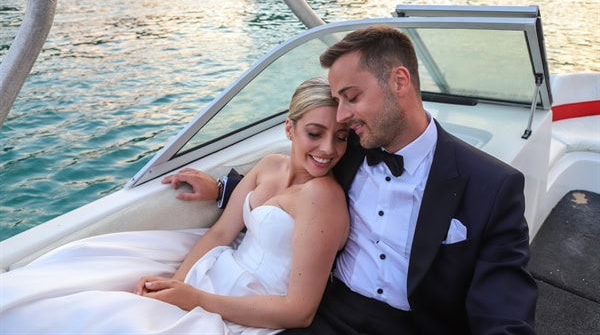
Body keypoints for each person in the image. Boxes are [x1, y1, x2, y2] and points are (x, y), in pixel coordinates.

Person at [176, 25, 538, 334]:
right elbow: (291, 182)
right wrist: (221, 189)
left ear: (399, 81)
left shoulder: (493, 186)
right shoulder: (346, 148)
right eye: (338, 101)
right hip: (328, 312)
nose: (342, 117)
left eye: (351, 97)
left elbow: (504, 310)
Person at [0, 77, 350, 334]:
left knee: (113, 322)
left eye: (341, 137)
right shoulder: (270, 165)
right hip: (215, 272)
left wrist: (193, 299)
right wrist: (175, 284)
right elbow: (220, 233)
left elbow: (298, 312)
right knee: (82, 294)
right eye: (315, 133)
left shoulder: (322, 197)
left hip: (248, 309)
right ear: (289, 129)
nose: (328, 149)